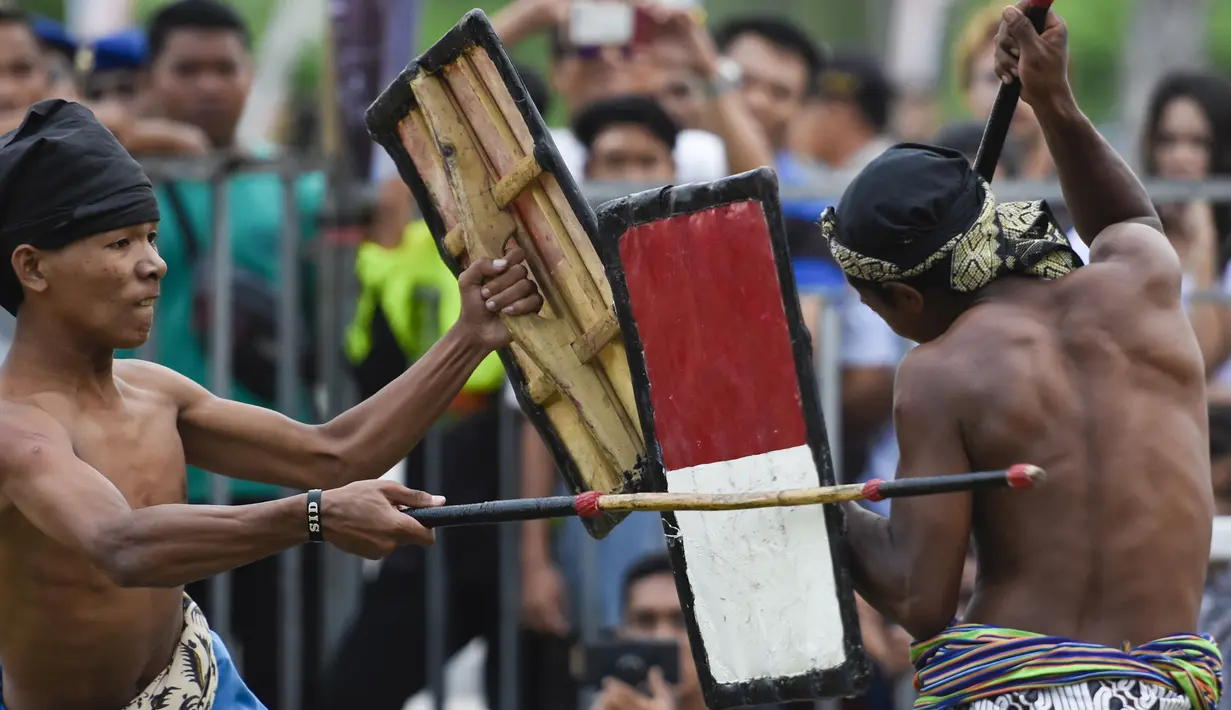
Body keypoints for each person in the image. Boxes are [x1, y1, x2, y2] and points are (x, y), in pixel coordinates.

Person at [0, 98, 543, 710]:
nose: (155, 265)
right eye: (120, 243)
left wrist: (471, 335)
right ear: (33, 269)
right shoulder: (15, 429)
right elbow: (123, 545)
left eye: (151, 238)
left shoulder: (156, 390)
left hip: (206, 688)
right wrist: (314, 517)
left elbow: (335, 456)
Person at [822, 4, 1221, 710]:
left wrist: (800, 476)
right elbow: (1127, 217)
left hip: (1015, 694)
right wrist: (1052, 96)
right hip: (1162, 692)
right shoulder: (1142, 278)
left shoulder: (939, 373)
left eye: (872, 302)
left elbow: (918, 595)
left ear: (906, 299)